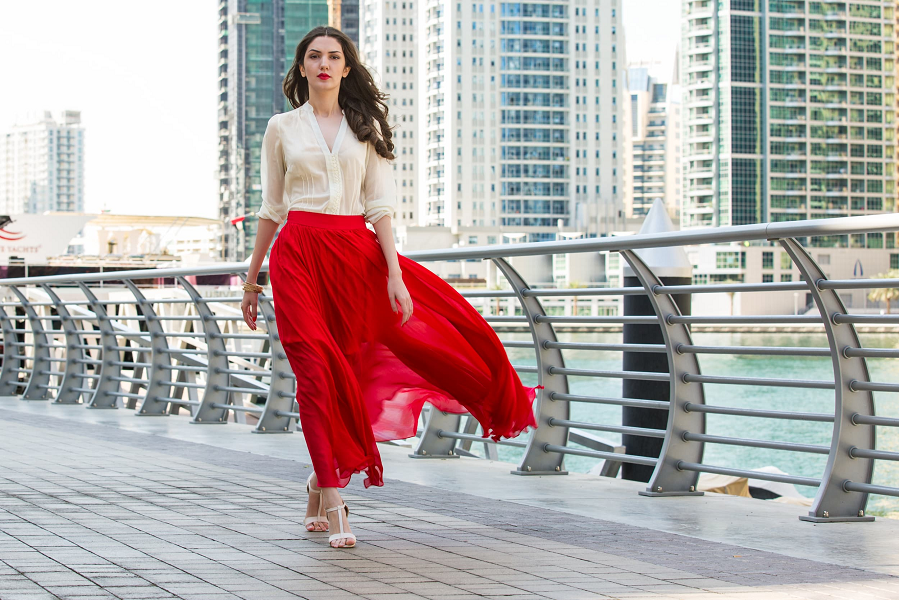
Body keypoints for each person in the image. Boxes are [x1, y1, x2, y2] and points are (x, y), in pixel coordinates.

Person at [240, 26, 538, 549]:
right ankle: (335, 500)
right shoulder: (281, 127)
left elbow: (378, 208)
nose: (325, 64)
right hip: (298, 257)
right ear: (302, 67)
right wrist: (251, 280)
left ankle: (317, 481)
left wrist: (396, 277)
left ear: (347, 67)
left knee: (353, 370)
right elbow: (272, 208)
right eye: (315, 56)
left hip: (354, 258)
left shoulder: (364, 129)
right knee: (314, 371)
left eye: (334, 56)